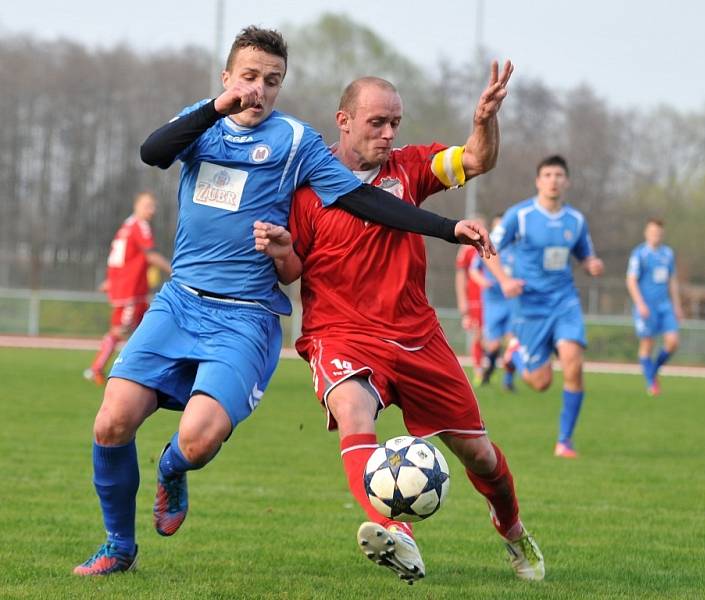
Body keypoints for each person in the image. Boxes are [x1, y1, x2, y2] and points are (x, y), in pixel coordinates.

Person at [73, 26, 492, 576]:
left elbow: (364, 198)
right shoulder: (201, 122)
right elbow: (154, 152)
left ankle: (172, 470)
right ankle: (118, 546)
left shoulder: (295, 141)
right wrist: (214, 109)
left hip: (244, 316)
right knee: (111, 422)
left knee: (197, 443)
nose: (259, 89)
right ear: (227, 78)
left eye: (272, 81)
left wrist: (446, 227)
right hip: (178, 302)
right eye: (248, 77)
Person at [255, 63, 547, 585]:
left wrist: (484, 120)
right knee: (353, 410)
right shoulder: (305, 191)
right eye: (377, 123)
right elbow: (294, 269)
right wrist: (281, 252)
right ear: (343, 121)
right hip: (340, 332)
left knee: (479, 455)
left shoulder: (410, 169)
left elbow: (478, 158)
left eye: (396, 123)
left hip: (417, 336)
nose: (389, 134)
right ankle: (394, 532)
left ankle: (511, 526)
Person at [483, 155, 604, 459]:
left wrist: (591, 263)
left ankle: (564, 441)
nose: (553, 180)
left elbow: (584, 254)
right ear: (538, 181)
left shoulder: (575, 220)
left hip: (564, 301)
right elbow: (488, 247)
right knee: (541, 383)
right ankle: (515, 354)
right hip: (530, 306)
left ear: (567, 182)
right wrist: (505, 279)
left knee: (574, 364)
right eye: (547, 174)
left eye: (558, 175)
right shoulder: (519, 216)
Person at [83, 192, 172, 386]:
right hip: (130, 289)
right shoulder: (140, 226)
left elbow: (118, 257)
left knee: (151, 325)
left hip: (130, 287)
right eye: (148, 205)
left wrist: (110, 280)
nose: (152, 210)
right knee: (121, 330)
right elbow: (150, 256)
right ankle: (97, 368)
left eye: (153, 206)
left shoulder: (126, 226)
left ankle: (151, 369)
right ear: (137, 205)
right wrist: (175, 271)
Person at [625, 219, 683, 396]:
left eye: (658, 232)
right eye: (652, 232)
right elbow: (631, 280)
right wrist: (640, 304)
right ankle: (651, 382)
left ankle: (653, 370)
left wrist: (677, 305)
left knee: (673, 342)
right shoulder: (639, 254)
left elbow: (672, 280)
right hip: (646, 306)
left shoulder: (668, 254)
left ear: (662, 234)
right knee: (647, 344)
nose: (655, 235)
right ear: (646, 233)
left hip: (664, 305)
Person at [469, 214, 517, 390]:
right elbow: (473, 270)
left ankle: (508, 381)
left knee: (512, 341)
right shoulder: (486, 247)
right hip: (492, 300)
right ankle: (488, 373)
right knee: (494, 344)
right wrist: (484, 282)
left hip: (512, 301)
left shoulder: (515, 248)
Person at [455, 220, 486, 385]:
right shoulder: (466, 249)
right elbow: (460, 276)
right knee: (478, 334)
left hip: (491, 298)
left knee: (492, 338)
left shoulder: (488, 244)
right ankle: (479, 371)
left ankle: (490, 367)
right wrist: (462, 301)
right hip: (474, 298)